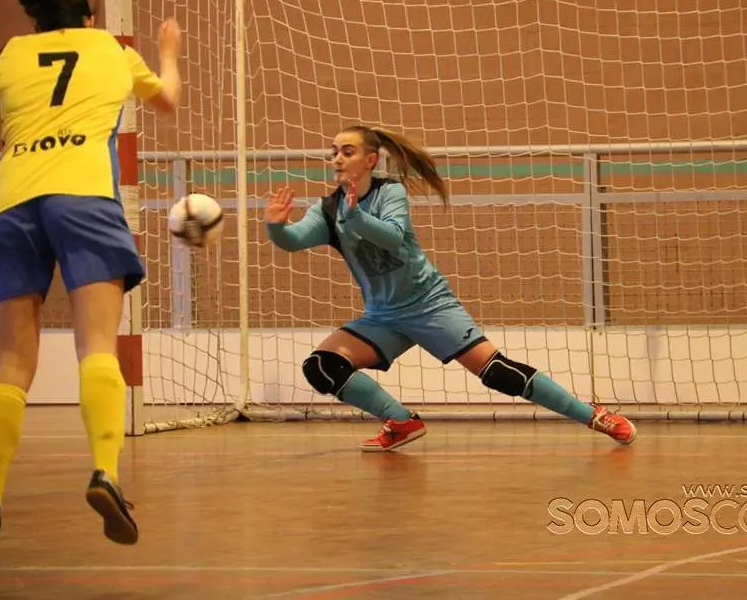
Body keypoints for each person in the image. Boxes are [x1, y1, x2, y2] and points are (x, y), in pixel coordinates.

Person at [0, 0, 182, 576]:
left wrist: (5, 165)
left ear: (38, 23)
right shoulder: (110, 50)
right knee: (97, 346)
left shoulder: (8, 57)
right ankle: (105, 473)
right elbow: (168, 99)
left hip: (12, 203)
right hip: (84, 197)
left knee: (10, 365)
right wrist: (168, 50)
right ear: (89, 20)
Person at [265, 125, 636, 451]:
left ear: (371, 160)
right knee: (321, 367)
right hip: (382, 317)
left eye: (347, 151)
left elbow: (392, 237)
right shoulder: (328, 210)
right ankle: (401, 421)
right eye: (333, 152)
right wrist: (277, 227)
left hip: (429, 305)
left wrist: (358, 217)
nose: (337, 159)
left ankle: (593, 415)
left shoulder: (389, 193)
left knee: (498, 373)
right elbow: (294, 241)